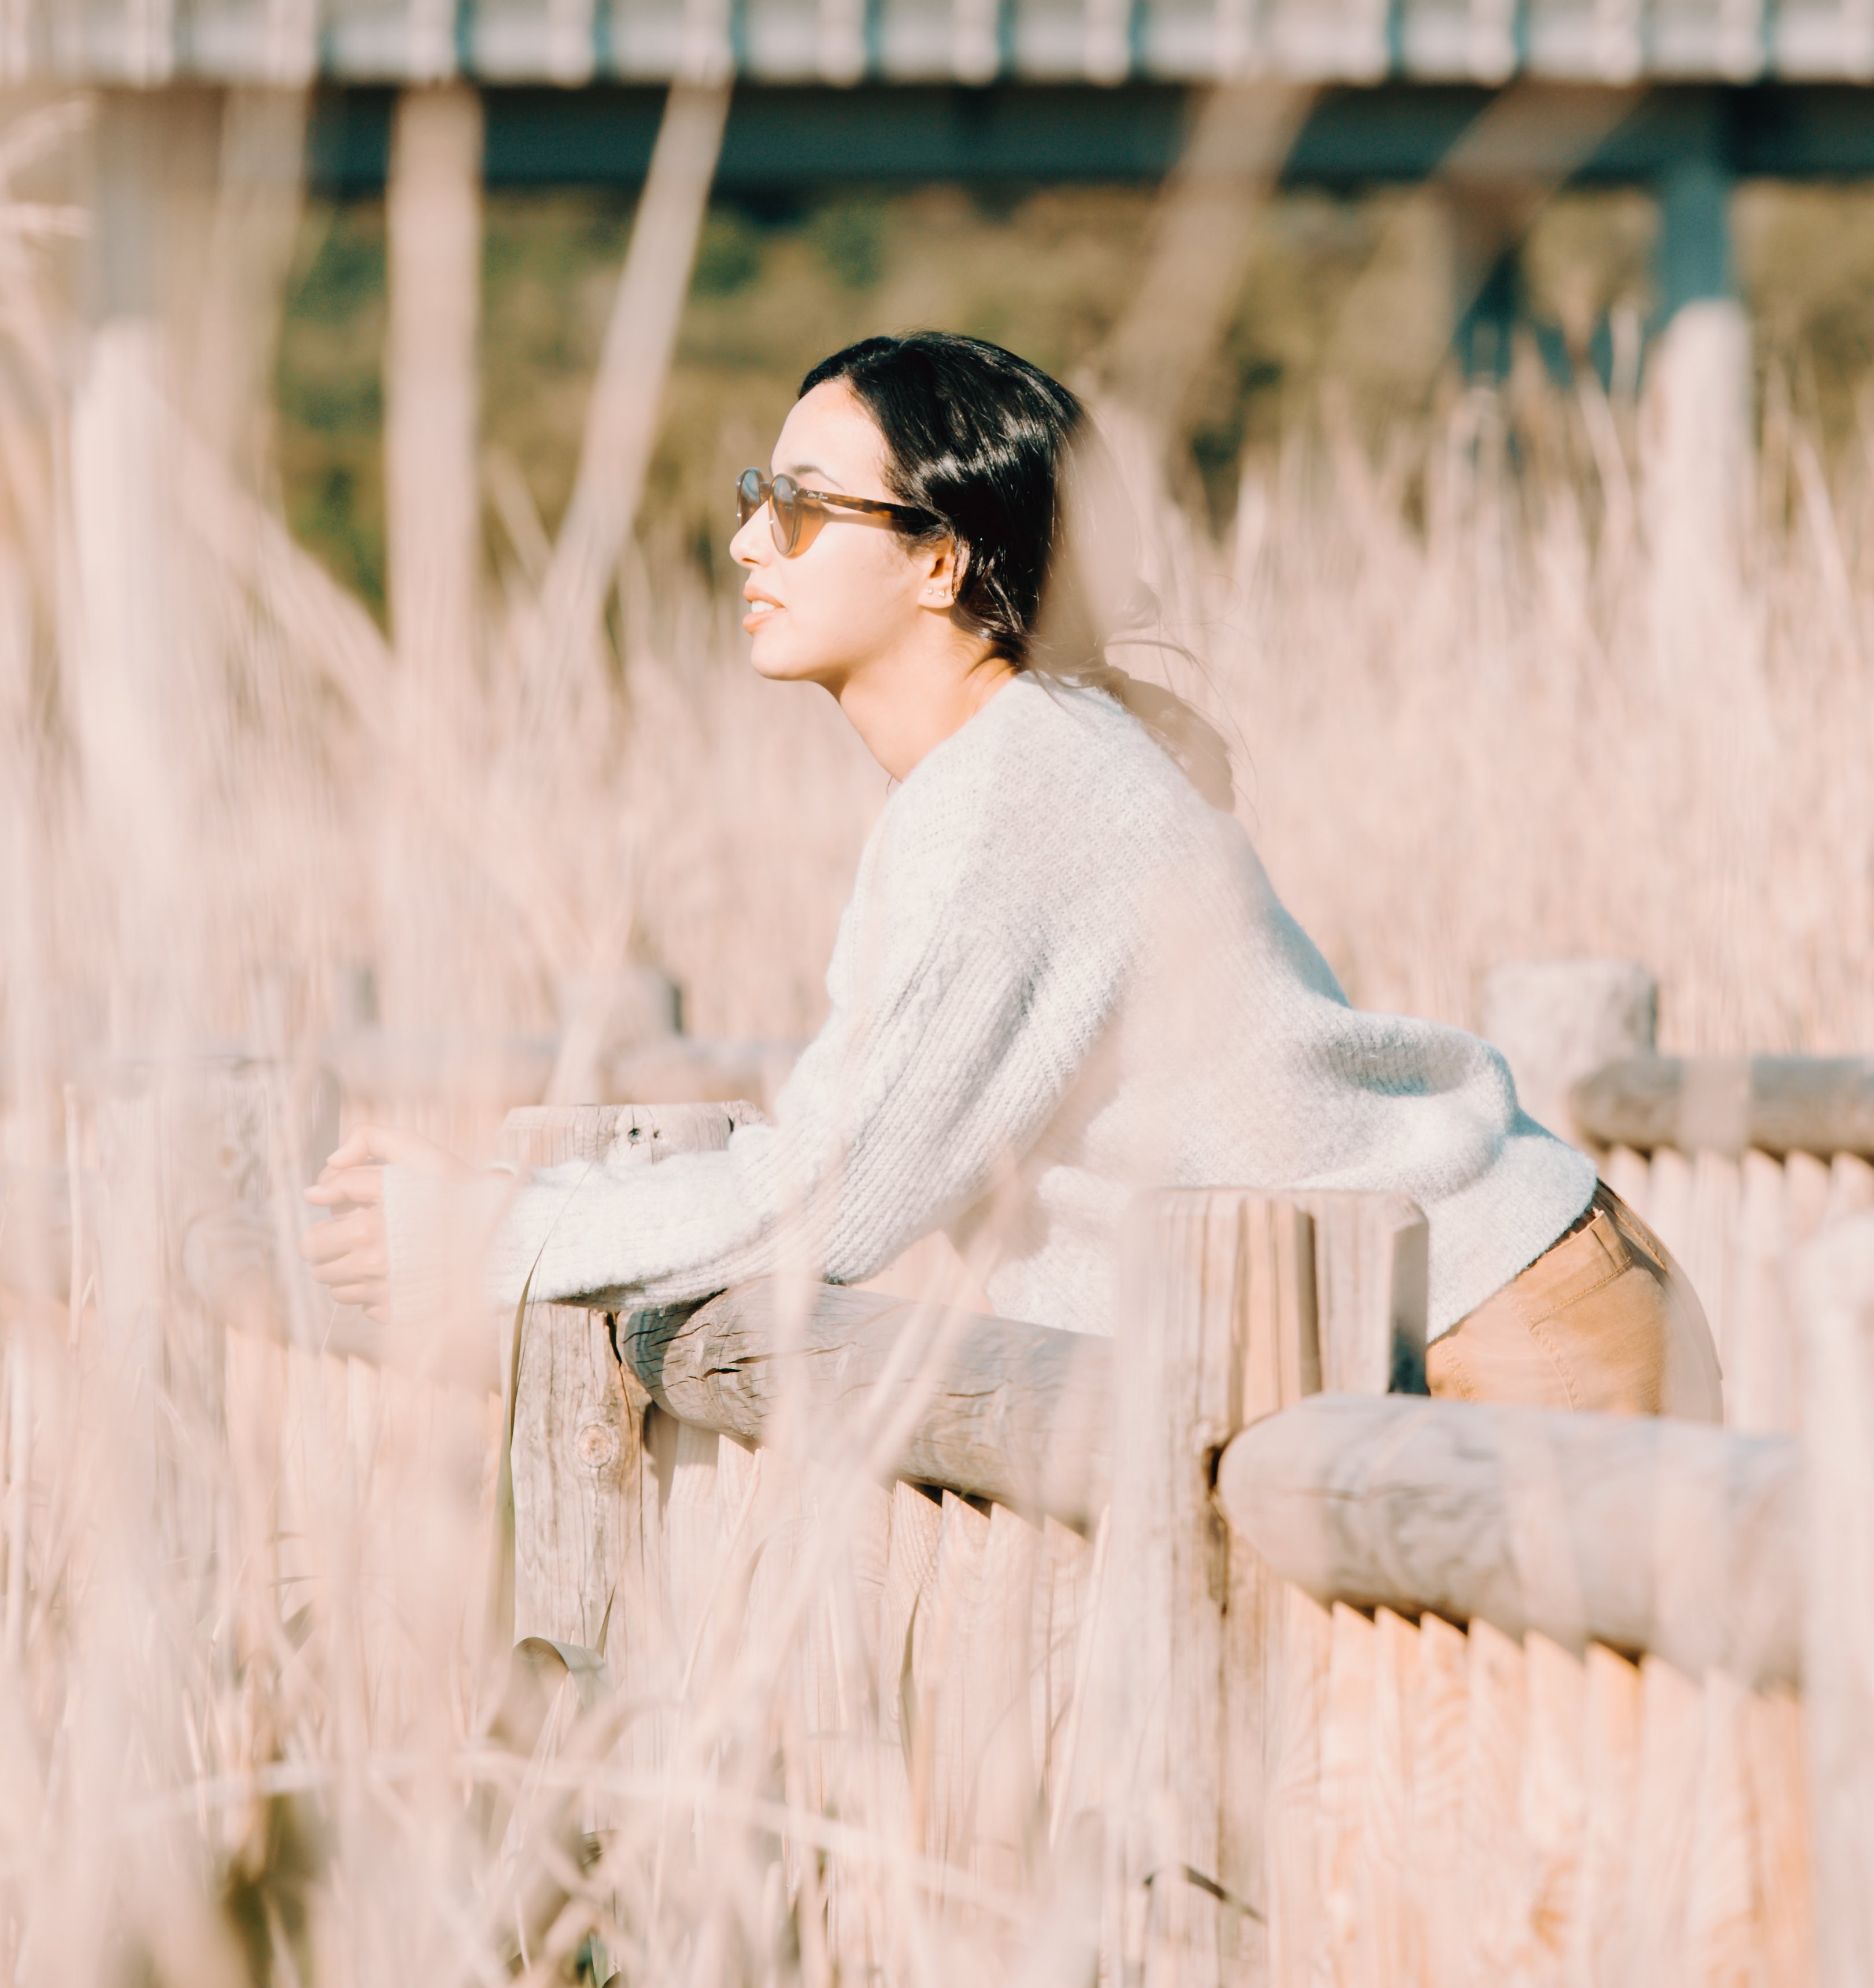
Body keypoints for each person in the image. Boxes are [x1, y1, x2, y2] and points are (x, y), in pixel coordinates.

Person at [304, 331, 1721, 1420]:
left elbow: (837, 1203)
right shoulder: (999, 775)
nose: (747, 540)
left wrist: (495, 1235)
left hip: (1506, 1330)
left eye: (797, 506)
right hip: (1418, 1326)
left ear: (940, 561)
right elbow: (848, 1142)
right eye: (753, 497)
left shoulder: (1016, 792)